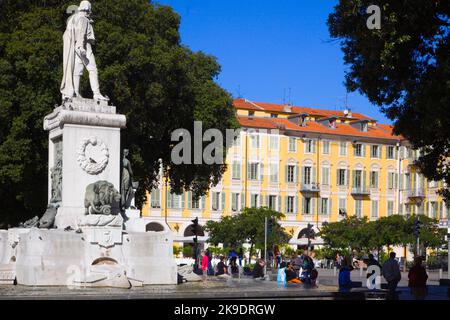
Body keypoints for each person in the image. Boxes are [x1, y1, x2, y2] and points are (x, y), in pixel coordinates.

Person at [60, 1, 108, 101]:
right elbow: (81, 33)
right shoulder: (83, 19)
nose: (90, 12)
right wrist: (81, 47)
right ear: (87, 8)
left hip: (75, 47)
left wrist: (78, 47)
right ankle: (97, 93)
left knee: (77, 69)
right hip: (84, 46)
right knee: (92, 69)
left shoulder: (74, 18)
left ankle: (75, 92)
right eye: (89, 9)